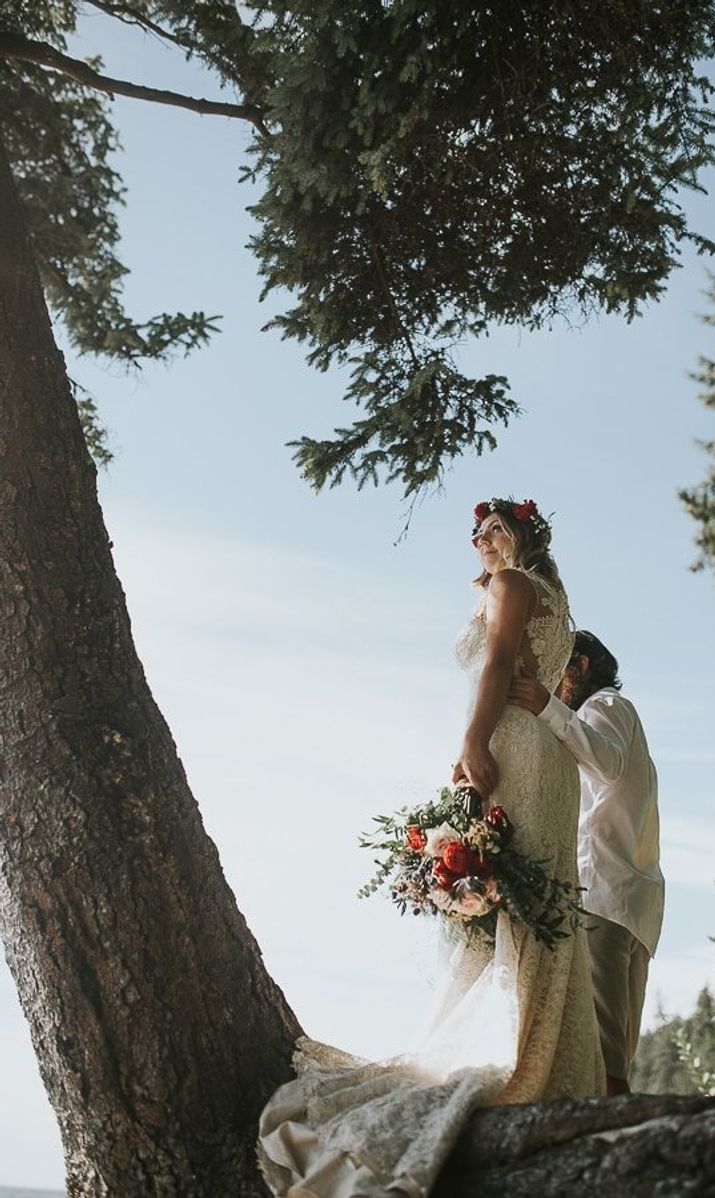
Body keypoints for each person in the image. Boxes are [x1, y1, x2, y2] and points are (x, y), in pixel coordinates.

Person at [257, 498, 604, 1198]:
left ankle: (513, 1054)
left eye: (495, 529)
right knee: (519, 894)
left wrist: (473, 742)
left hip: (514, 746)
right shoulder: (556, 598)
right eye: (476, 533)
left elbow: (501, 663)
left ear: (524, 535)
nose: (481, 541)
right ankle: (540, 1051)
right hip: (544, 758)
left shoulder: (513, 585)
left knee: (511, 895)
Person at [509, 631, 664, 1095]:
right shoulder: (616, 720)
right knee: (614, 1055)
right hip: (631, 905)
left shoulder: (607, 707)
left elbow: (608, 765)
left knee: (605, 1061)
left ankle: (611, 1153)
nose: (554, 686)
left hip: (603, 897)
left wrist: (543, 706)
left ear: (580, 665)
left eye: (559, 670)